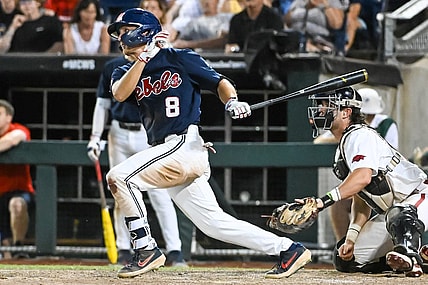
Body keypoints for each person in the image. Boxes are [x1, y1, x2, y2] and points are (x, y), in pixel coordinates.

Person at [106, 8, 311, 279]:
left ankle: (146, 249)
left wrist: (233, 101)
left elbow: (219, 82)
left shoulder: (178, 58)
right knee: (214, 224)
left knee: (119, 177)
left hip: (184, 145)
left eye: (125, 31)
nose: (121, 38)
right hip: (166, 151)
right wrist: (143, 59)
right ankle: (288, 249)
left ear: (143, 31)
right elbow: (121, 94)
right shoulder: (124, 69)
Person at [302, 87, 428, 277]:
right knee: (346, 260)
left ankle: (409, 255)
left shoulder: (359, 134)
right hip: (391, 214)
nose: (321, 111)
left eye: (327, 106)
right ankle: (419, 258)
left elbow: (363, 177)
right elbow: (361, 200)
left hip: (418, 194)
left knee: (399, 214)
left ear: (346, 112)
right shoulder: (343, 147)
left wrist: (322, 201)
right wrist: (351, 238)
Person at [87, 54, 186, 266]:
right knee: (120, 192)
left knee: (160, 193)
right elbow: (102, 104)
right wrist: (95, 137)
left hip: (148, 132)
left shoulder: (158, 64)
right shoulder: (113, 67)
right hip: (118, 133)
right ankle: (124, 248)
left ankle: (175, 250)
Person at [328, 87, 399, 241]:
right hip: (371, 189)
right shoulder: (346, 133)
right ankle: (343, 243)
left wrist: (323, 200)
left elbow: (366, 174)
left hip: (388, 182)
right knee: (347, 261)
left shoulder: (380, 126)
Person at [0, 99, 35, 259]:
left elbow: (12, 139)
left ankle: (19, 247)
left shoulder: (18, 130)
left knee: (17, 204)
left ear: (8, 117)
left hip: (18, 190)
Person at [284, 0, 349, 54]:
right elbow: (287, 20)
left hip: (321, 45)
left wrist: (323, 3)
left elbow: (336, 24)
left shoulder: (333, 2)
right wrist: (308, 5)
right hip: (295, 43)